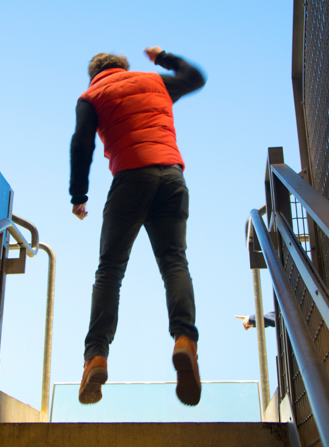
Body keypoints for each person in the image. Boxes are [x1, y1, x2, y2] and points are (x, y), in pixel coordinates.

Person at [69, 46, 206, 406]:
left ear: (95, 73)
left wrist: (78, 194)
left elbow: (81, 145)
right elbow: (196, 78)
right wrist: (163, 57)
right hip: (172, 177)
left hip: (131, 179)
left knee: (110, 271)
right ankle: (184, 340)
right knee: (174, 262)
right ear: (123, 67)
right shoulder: (154, 82)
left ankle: (96, 356)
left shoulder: (91, 96)